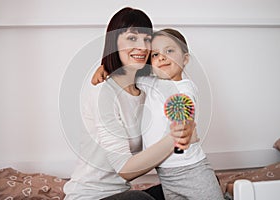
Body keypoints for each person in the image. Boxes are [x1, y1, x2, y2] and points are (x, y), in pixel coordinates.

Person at [63, 8, 196, 200]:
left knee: (196, 185)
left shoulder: (147, 89)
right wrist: (176, 139)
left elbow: (176, 81)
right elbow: (125, 170)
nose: (142, 47)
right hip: (90, 196)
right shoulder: (103, 91)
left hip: (122, 194)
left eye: (147, 39)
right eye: (132, 38)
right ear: (114, 43)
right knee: (139, 199)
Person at [138, 29, 224, 200]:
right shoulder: (151, 83)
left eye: (169, 51)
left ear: (185, 59)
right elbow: (126, 76)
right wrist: (105, 70)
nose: (161, 57)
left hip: (191, 171)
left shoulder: (184, 87)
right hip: (166, 174)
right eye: (155, 54)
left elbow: (183, 103)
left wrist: (183, 124)